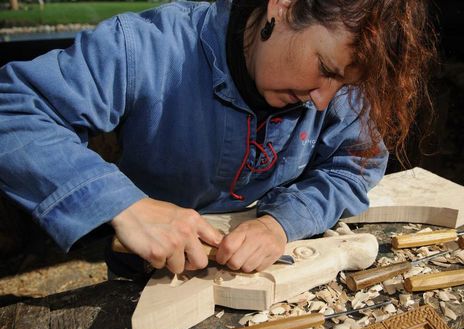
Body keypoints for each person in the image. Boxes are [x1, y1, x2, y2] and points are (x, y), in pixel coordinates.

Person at [0, 0, 436, 276]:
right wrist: (124, 204)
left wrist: (282, 222)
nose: (323, 102)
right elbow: (14, 111)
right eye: (324, 69)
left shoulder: (336, 85)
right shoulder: (149, 47)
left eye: (343, 87)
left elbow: (353, 166)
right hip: (144, 273)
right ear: (282, 7)